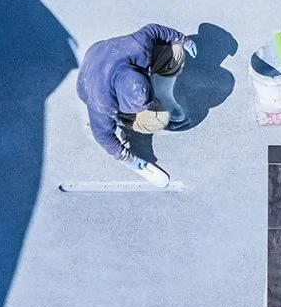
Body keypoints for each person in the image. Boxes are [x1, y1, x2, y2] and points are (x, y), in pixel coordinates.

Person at [77, 24, 197, 188]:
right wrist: (128, 158)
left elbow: (154, 30)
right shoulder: (102, 100)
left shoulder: (138, 47)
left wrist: (183, 39)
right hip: (91, 75)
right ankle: (123, 122)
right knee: (159, 120)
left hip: (106, 52)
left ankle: (164, 95)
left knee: (175, 50)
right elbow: (102, 135)